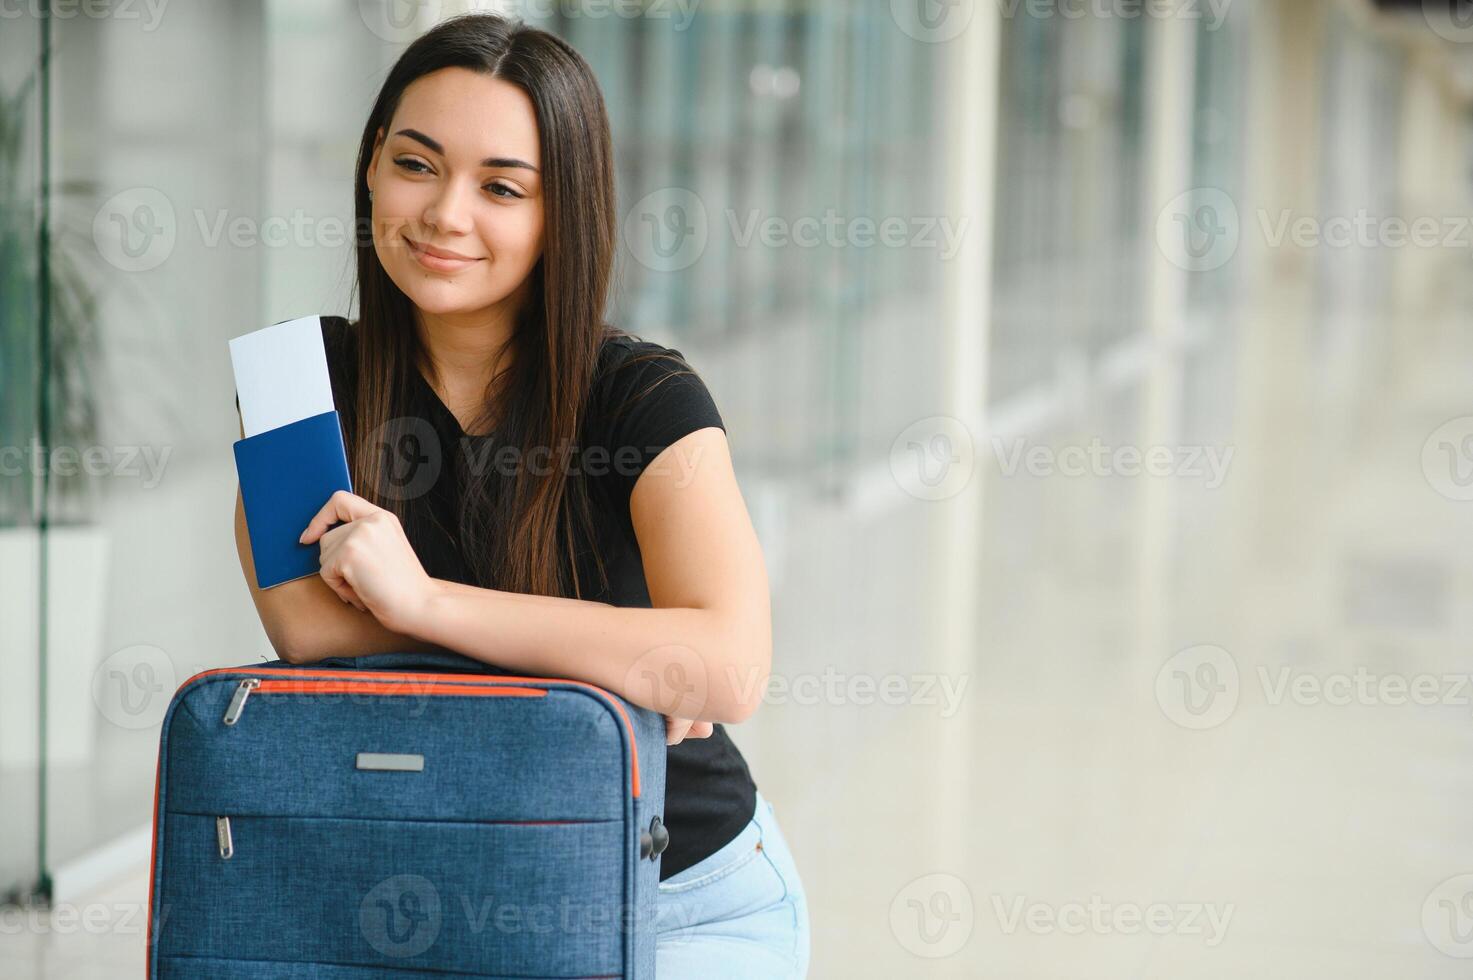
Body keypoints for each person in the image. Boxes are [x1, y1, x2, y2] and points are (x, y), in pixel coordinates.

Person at [231, 12, 809, 977]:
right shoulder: (299, 379)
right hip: (416, 878)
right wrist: (614, 665)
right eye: (417, 164)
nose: (446, 214)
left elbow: (729, 669)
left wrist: (422, 603)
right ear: (373, 164)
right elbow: (312, 632)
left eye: (502, 187)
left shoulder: (645, 396)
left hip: (679, 895)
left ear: (560, 213)